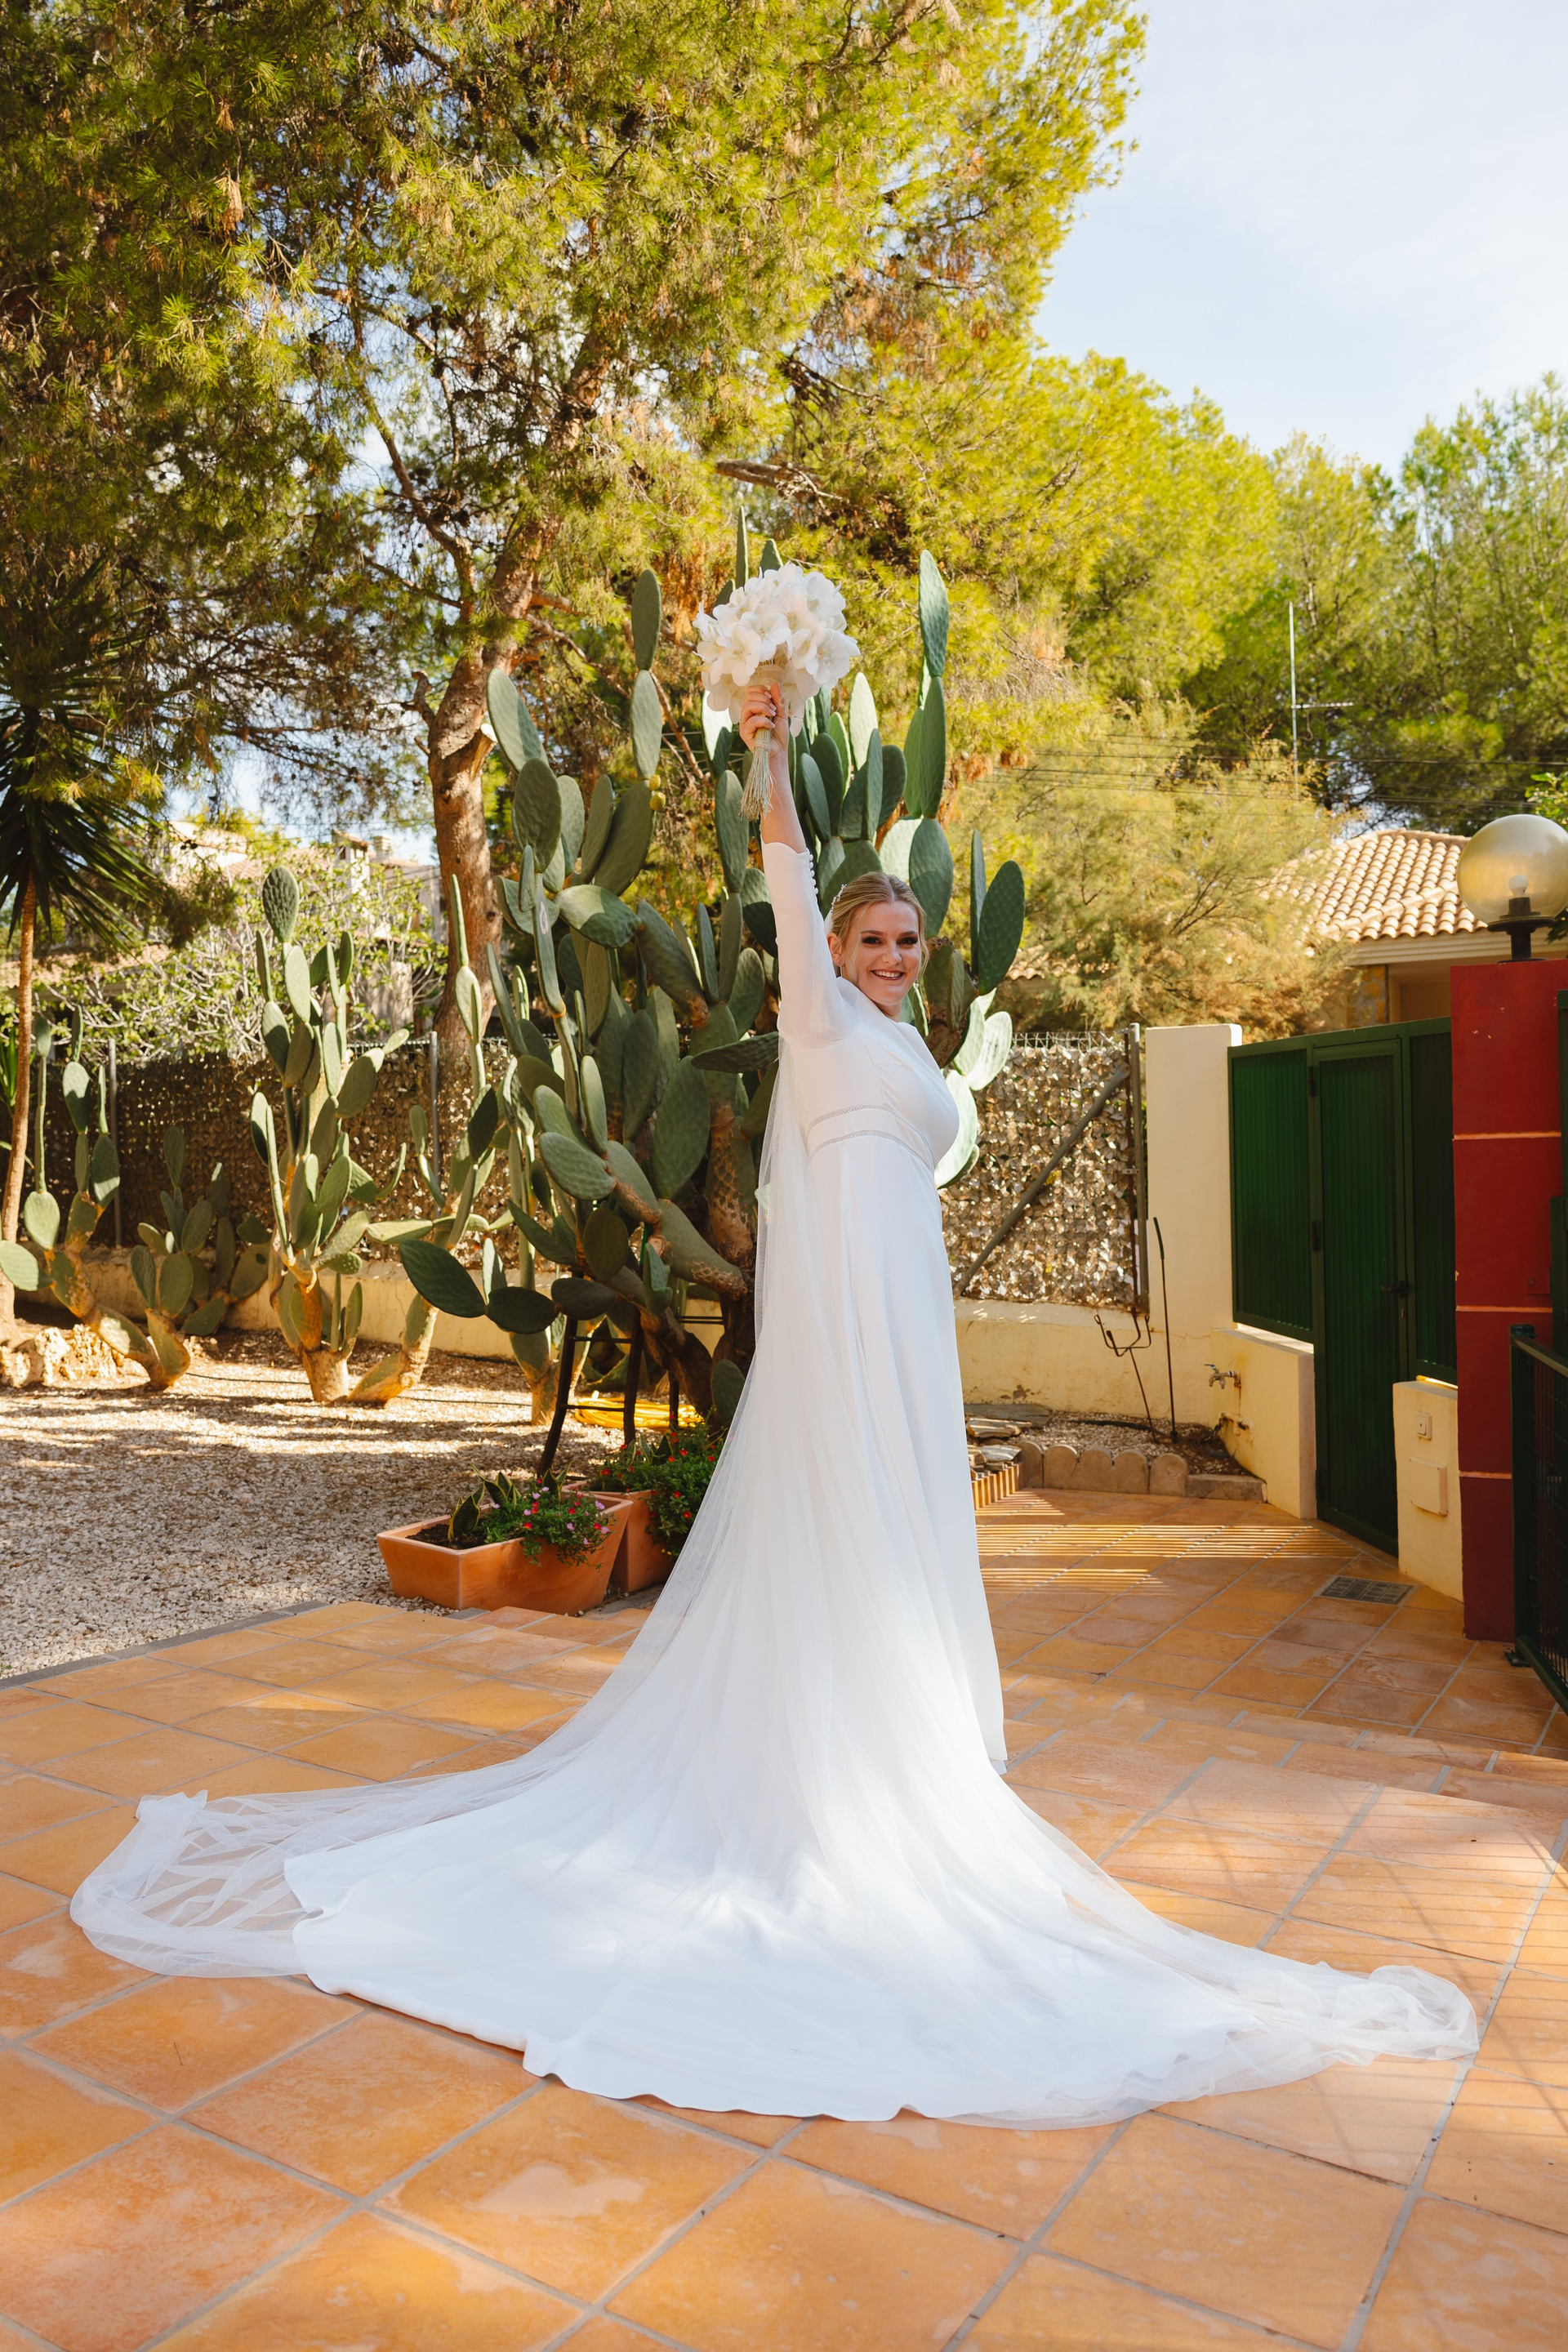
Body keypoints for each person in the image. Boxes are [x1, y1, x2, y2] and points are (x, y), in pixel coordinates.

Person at [72, 683, 1477, 2127]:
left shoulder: (912, 1046)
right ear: (836, 952)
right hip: (850, 1309)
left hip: (906, 1303)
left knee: (902, 1514)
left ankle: (903, 1746)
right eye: (872, 940)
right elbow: (788, 868)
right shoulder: (817, 1012)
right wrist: (769, 751)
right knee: (850, 1508)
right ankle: (847, 1774)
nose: (891, 956)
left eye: (906, 940)